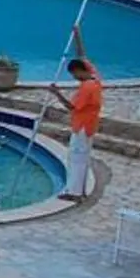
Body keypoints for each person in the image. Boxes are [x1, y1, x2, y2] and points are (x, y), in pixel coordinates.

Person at [50, 48, 103, 199]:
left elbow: (72, 107)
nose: (74, 77)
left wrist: (56, 93)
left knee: (76, 159)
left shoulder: (87, 87)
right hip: (90, 125)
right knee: (83, 159)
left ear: (79, 71)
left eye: (74, 74)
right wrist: (77, 36)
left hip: (82, 127)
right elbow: (84, 57)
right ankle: (80, 190)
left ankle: (74, 192)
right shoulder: (95, 79)